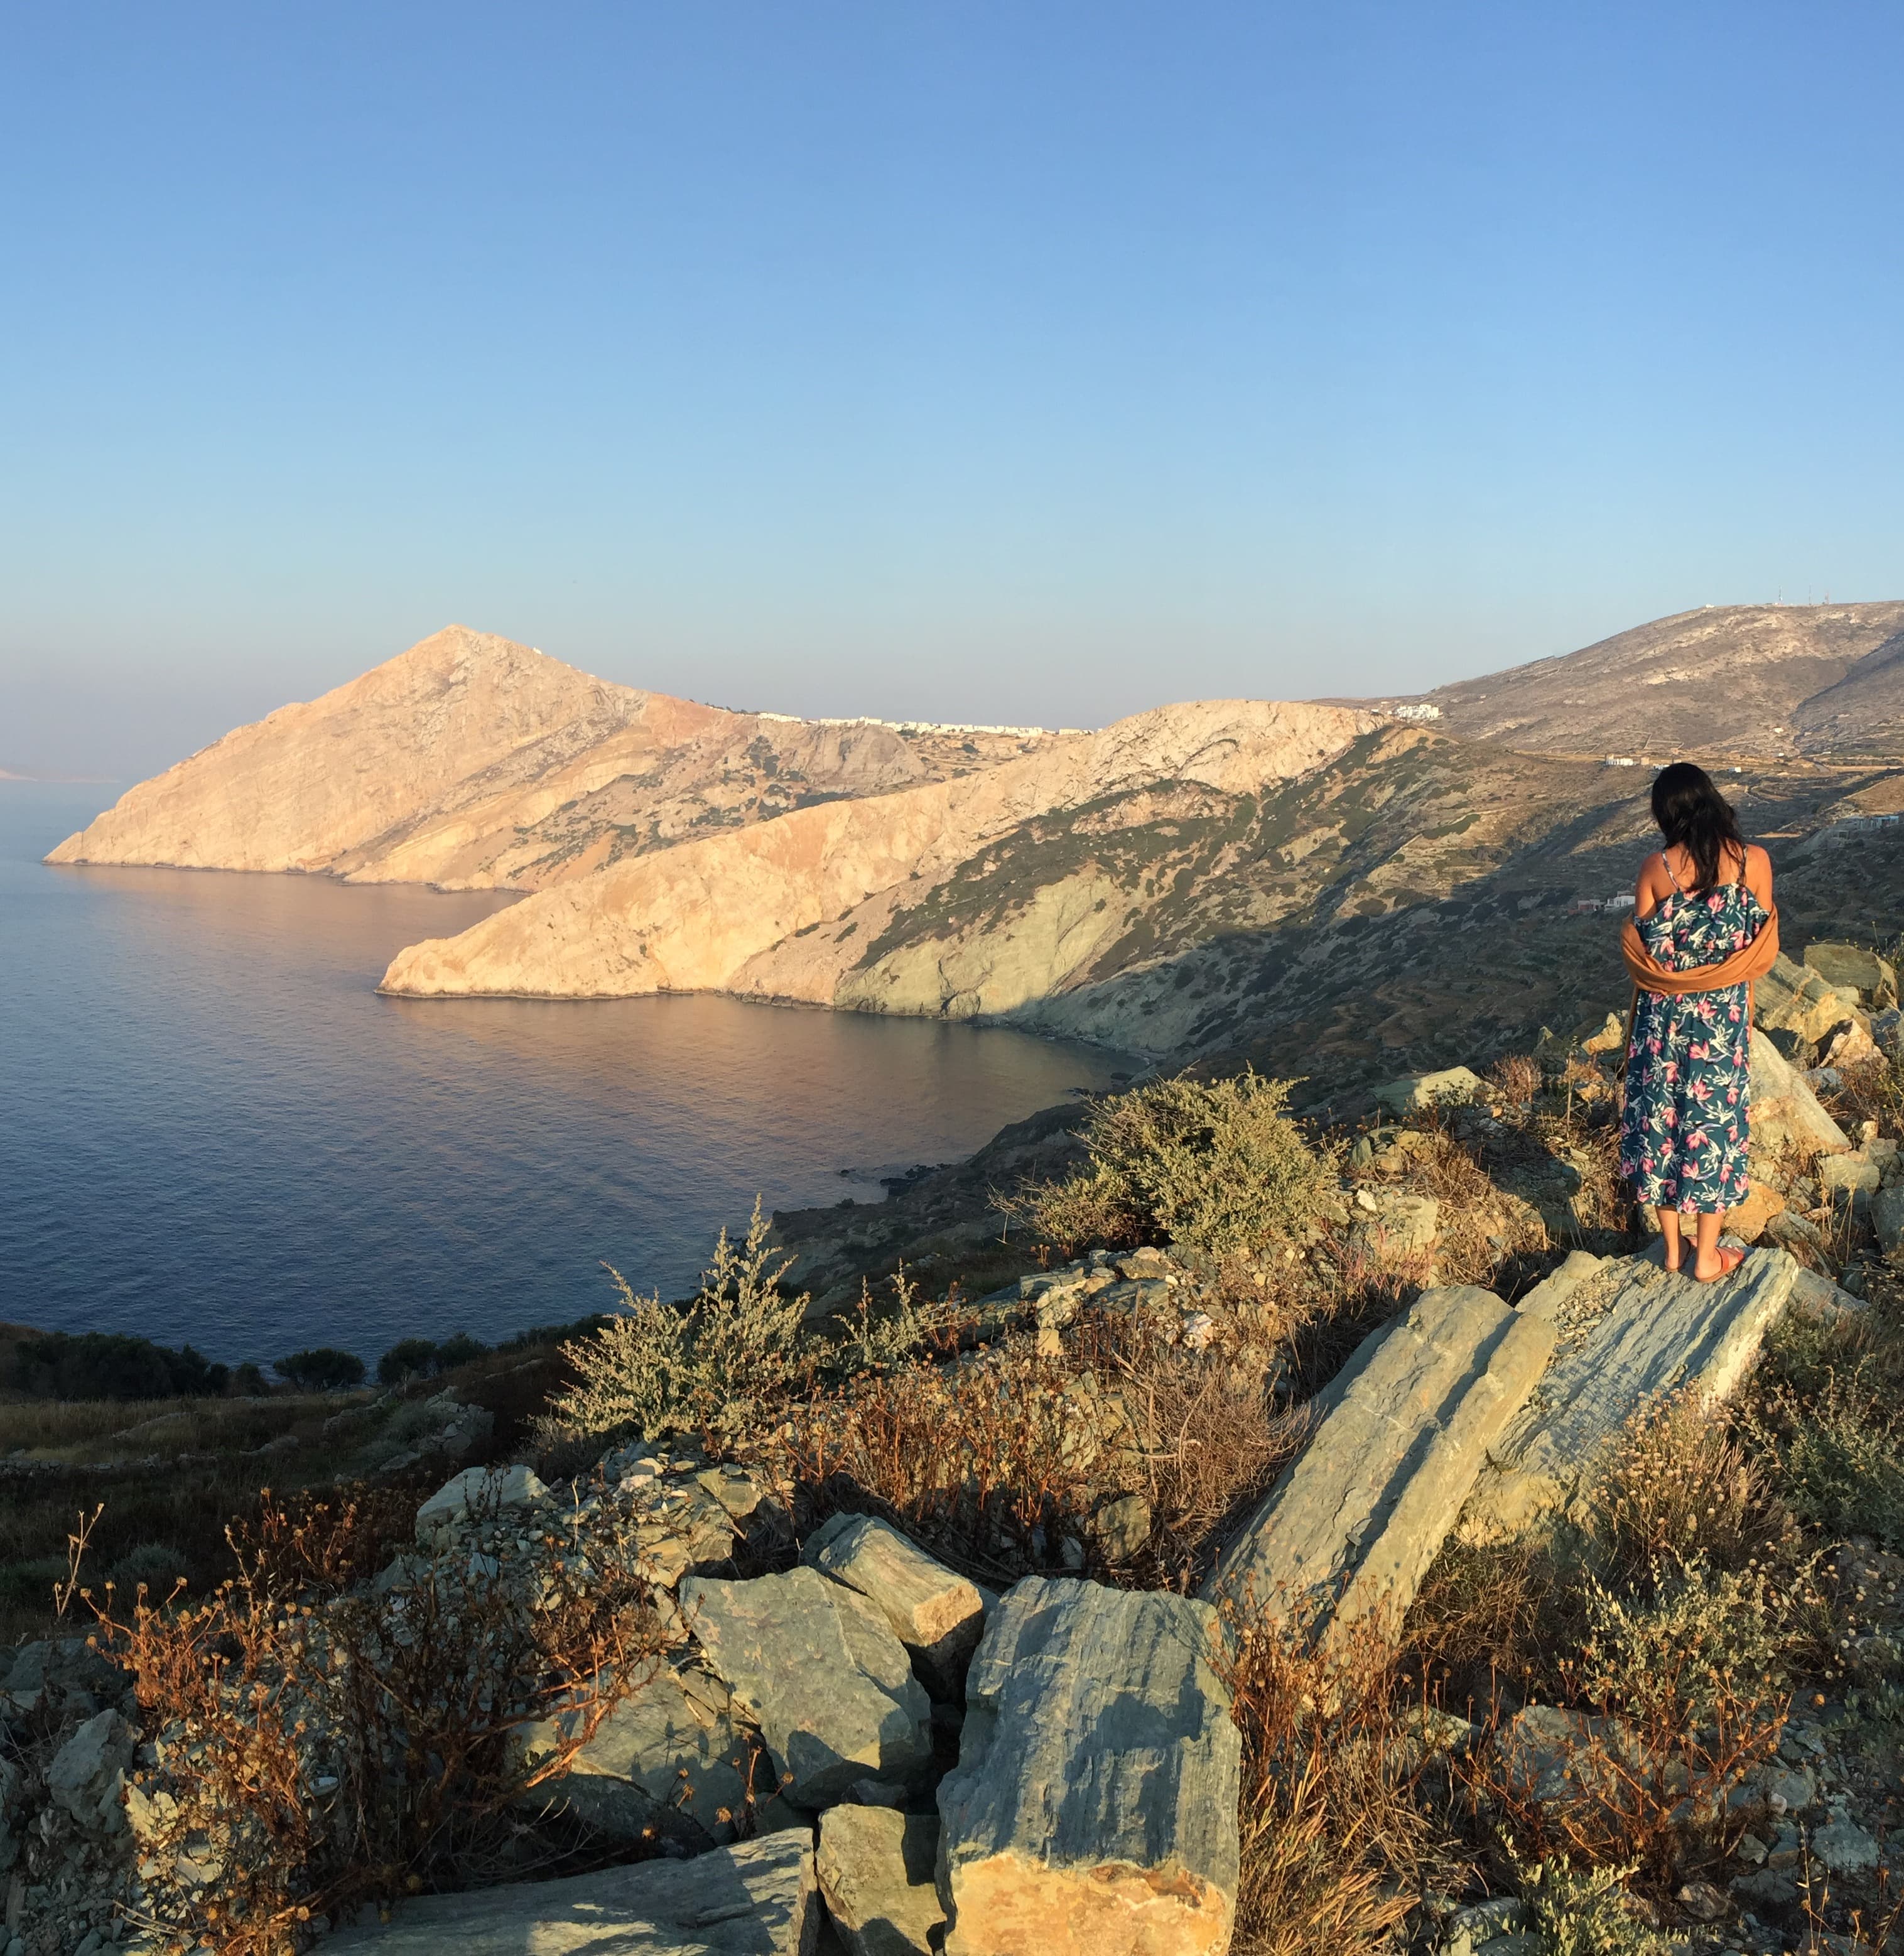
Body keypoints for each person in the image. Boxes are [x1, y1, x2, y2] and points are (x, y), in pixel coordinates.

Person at [1618, 761, 1778, 1282]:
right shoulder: (1754, 862)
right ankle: (1707, 1255)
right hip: (1720, 1024)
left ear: (1666, 814)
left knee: (1660, 1126)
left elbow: (1644, 955)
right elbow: (1760, 949)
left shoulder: (1655, 869)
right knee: (1713, 1128)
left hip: (1662, 1023)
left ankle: (1672, 1250)